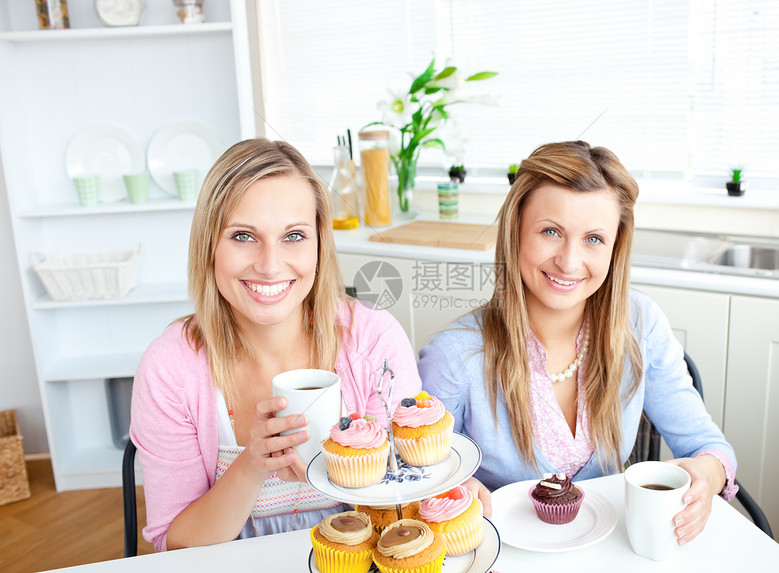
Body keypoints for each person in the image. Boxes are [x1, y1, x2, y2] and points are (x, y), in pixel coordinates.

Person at [417, 141, 738, 546]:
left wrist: (706, 476)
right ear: (516, 233)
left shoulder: (641, 325)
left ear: (615, 248)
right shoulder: (454, 356)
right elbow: (414, 482)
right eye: (550, 231)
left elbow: (710, 447)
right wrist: (446, 493)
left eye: (593, 239)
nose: (569, 262)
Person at [130, 138, 420, 552]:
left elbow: (402, 504)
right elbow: (175, 546)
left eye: (294, 235)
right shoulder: (171, 368)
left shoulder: (373, 342)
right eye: (244, 236)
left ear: (320, 243)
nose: (269, 265)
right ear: (209, 245)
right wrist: (251, 464)